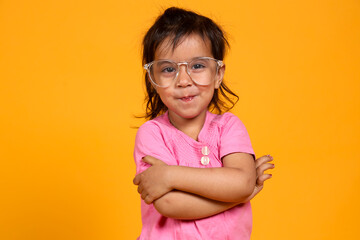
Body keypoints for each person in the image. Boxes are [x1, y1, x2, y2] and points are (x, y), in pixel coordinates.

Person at [133, 7, 274, 240]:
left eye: (197, 66)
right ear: (153, 80)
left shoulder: (229, 127)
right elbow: (169, 203)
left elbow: (241, 182)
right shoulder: (152, 134)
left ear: (218, 74)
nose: (184, 80)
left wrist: (170, 176)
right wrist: (240, 196)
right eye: (168, 69)